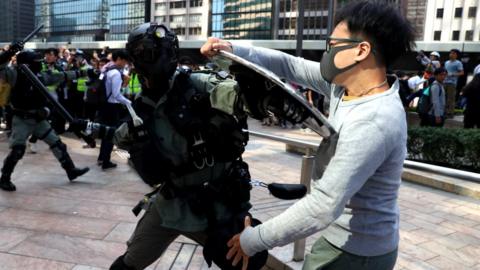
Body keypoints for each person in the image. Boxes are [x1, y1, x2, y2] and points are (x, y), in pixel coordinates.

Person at [201, 1, 414, 269]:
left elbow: (323, 205)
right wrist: (232, 51)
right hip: (347, 241)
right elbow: (289, 65)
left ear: (361, 50)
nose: (327, 52)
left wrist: (252, 239)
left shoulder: (374, 120)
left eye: (333, 44)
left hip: (358, 253)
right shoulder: (344, 87)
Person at [106, 22, 293, 270]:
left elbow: (233, 94)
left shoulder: (198, 83)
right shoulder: (141, 108)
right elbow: (122, 137)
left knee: (247, 262)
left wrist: (259, 95)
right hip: (172, 204)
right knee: (128, 264)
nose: (157, 58)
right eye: (148, 52)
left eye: (161, 50)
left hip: (219, 204)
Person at [0, 48, 89, 192]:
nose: (40, 64)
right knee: (17, 150)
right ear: (27, 64)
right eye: (36, 62)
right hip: (22, 119)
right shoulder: (14, 74)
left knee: (57, 144)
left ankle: (71, 170)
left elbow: (61, 76)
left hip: (39, 119)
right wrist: (10, 52)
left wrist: (85, 72)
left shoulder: (40, 75)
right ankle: (4, 178)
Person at [96, 50, 131, 170]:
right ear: (120, 59)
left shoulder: (108, 69)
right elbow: (116, 95)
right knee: (111, 135)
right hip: (112, 108)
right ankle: (106, 161)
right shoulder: (116, 73)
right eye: (125, 61)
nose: (126, 64)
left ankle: (101, 158)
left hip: (104, 106)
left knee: (106, 133)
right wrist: (129, 103)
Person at [444, 49, 464, 117]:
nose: (451, 54)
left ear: (456, 55)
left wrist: (452, 74)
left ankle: (450, 113)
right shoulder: (446, 62)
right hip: (444, 81)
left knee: (451, 98)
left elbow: (462, 72)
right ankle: (444, 112)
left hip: (452, 83)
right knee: (444, 97)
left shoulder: (458, 63)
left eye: (453, 53)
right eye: (450, 53)